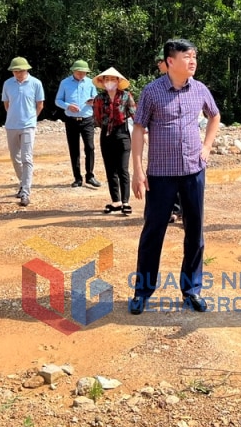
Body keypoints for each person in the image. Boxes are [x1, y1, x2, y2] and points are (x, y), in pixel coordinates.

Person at [129, 39, 221, 315]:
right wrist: (137, 168)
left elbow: (214, 116)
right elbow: (138, 128)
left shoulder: (200, 89)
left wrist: (206, 147)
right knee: (153, 233)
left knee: (195, 231)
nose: (192, 61)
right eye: (186, 57)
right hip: (160, 174)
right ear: (170, 61)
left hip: (193, 171)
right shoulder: (152, 91)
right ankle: (143, 292)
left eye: (194, 56)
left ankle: (191, 289)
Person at [92, 67, 137, 214]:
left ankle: (126, 202)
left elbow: (134, 115)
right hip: (106, 135)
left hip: (122, 134)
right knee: (110, 169)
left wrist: (144, 130)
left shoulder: (126, 96)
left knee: (123, 169)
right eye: (106, 79)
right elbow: (97, 119)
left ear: (118, 81)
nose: (109, 82)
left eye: (112, 79)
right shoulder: (99, 99)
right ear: (103, 82)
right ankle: (116, 201)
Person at [2, 57, 45, 208]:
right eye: (15, 71)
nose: (18, 73)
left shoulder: (36, 83)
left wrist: (31, 120)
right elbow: (7, 104)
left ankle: (26, 192)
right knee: (15, 158)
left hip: (28, 126)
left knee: (27, 158)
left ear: (26, 70)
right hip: (11, 126)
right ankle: (23, 183)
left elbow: (39, 105)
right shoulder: (7, 84)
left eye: (20, 71)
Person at [55, 60, 101, 188]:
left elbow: (97, 98)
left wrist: (93, 101)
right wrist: (68, 106)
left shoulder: (91, 82)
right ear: (73, 71)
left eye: (84, 73)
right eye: (79, 72)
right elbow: (57, 100)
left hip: (87, 119)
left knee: (90, 147)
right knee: (74, 149)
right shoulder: (64, 83)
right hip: (71, 120)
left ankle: (90, 176)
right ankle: (77, 178)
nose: (81, 75)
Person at [156, 46, 184, 225]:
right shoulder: (157, 87)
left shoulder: (186, 83)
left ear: (169, 62)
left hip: (184, 143)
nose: (158, 65)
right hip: (165, 144)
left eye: (160, 61)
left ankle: (181, 211)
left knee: (184, 180)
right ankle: (174, 209)